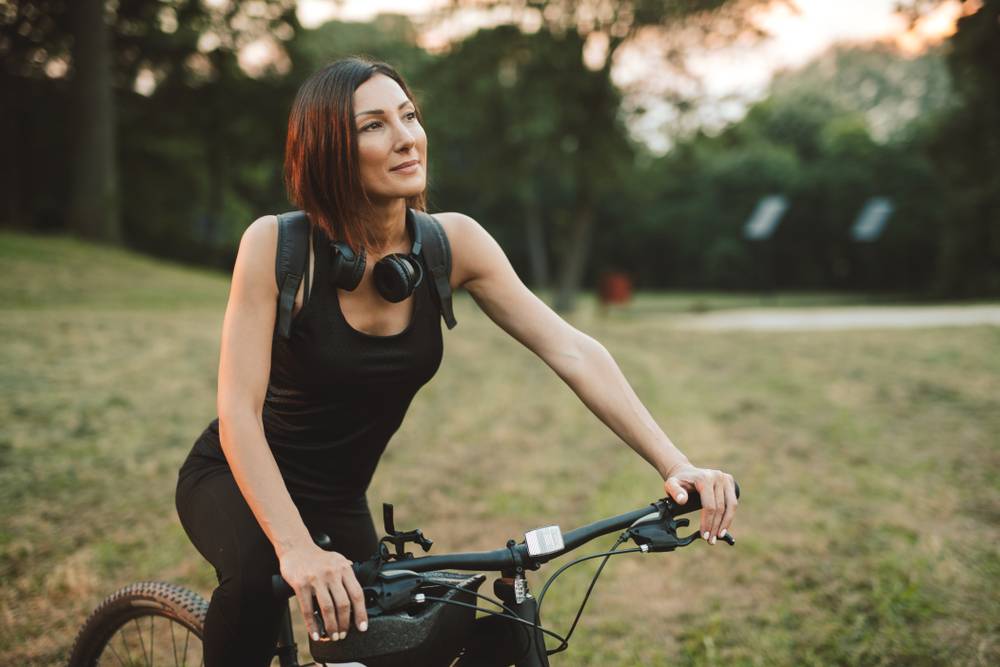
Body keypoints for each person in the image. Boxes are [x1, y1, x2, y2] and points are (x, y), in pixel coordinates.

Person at [174, 56, 738, 667]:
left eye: (409, 116)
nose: (406, 138)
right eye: (373, 126)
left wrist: (675, 462)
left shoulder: (452, 244)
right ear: (329, 150)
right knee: (259, 583)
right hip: (232, 479)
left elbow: (571, 348)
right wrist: (295, 548)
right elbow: (237, 411)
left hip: (339, 499)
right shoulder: (277, 247)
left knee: (395, 643)